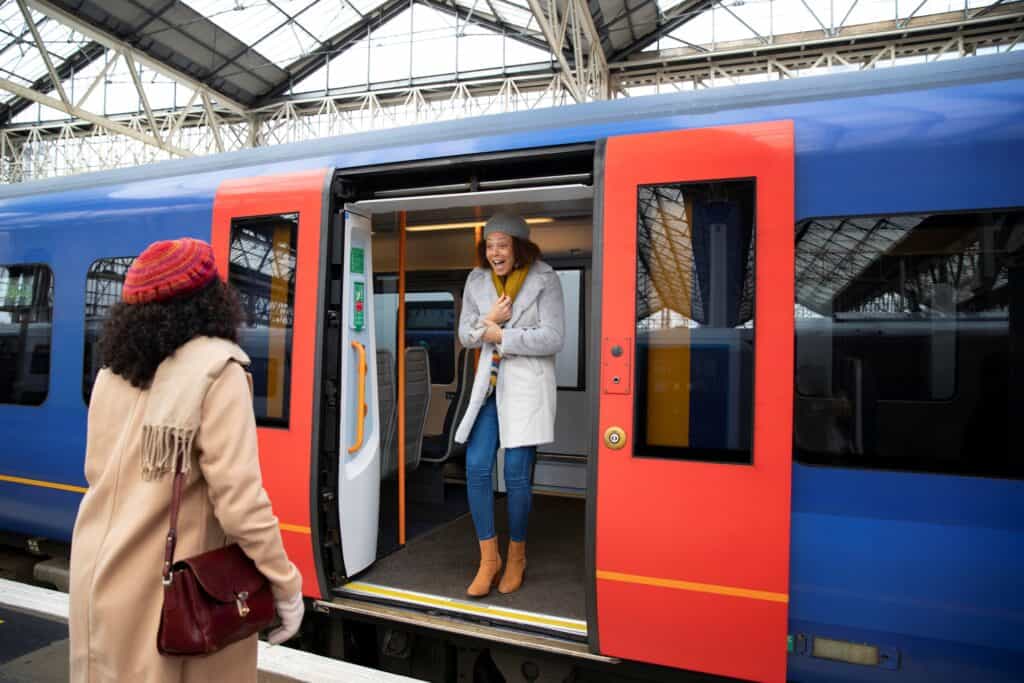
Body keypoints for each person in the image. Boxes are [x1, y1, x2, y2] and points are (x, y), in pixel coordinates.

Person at [69, 238, 304, 682]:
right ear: (211, 298)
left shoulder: (110, 373)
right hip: (166, 596)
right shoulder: (220, 370)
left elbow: (95, 473)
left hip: (94, 575)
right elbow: (241, 503)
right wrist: (286, 584)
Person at [454, 212, 565, 597]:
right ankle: (489, 559)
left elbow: (553, 337)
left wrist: (502, 332)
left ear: (518, 247)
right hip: (489, 387)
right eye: (489, 245)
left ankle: (517, 555)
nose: (494, 252)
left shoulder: (545, 279)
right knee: (477, 466)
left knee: (517, 473)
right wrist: (489, 318)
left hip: (525, 390)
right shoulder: (476, 280)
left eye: (502, 244)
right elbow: (466, 335)